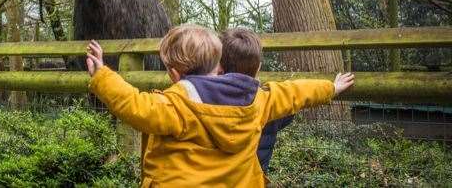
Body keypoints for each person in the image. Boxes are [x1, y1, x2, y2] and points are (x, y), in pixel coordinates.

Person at [86, 25, 354, 187]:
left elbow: (134, 105)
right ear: (217, 65)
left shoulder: (177, 104)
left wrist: (102, 74)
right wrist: (331, 87)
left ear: (175, 75)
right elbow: (297, 92)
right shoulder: (260, 99)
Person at [219, 27, 293, 173]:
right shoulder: (270, 102)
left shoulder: (206, 100)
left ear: (219, 66)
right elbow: (290, 110)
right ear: (258, 67)